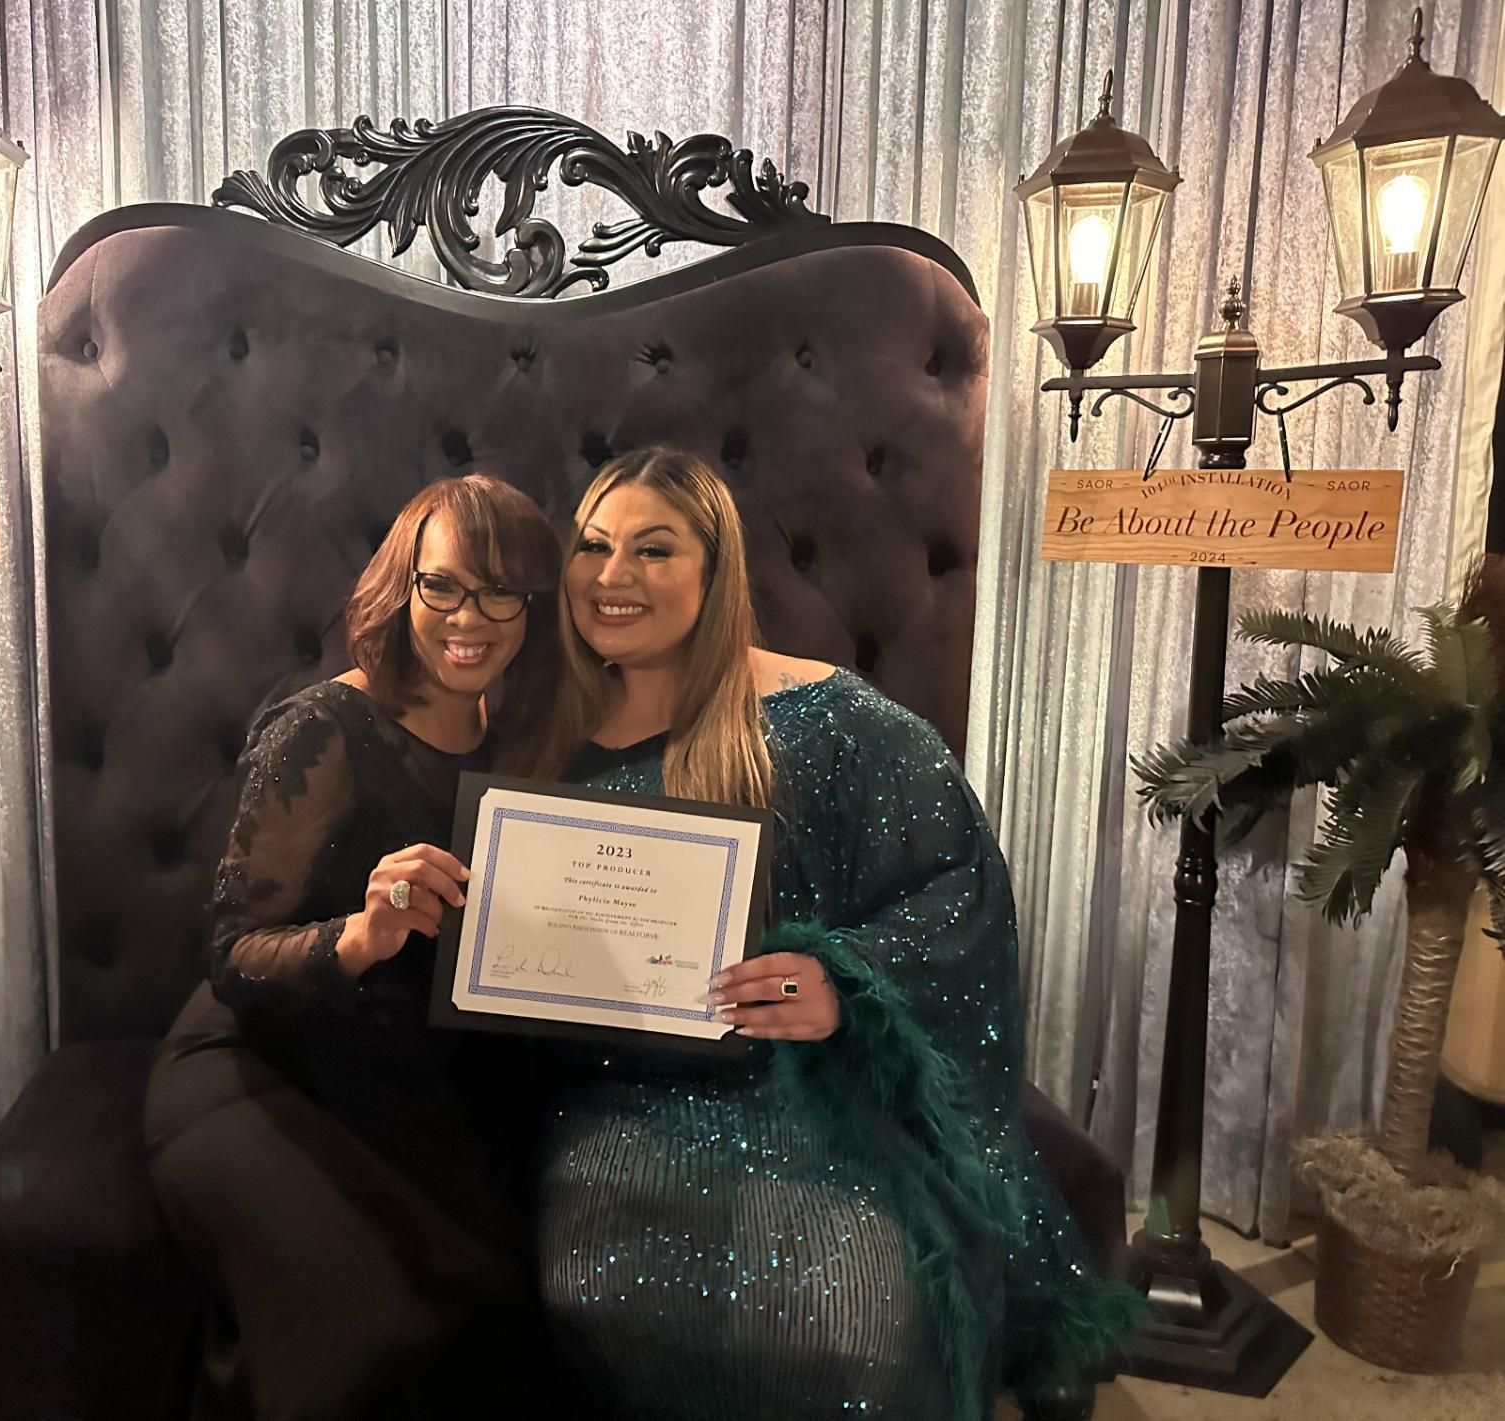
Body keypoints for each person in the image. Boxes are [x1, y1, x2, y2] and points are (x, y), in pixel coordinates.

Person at [528, 447, 1138, 1420]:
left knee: (851, 1311)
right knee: (602, 1289)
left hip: (804, 1091)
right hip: (624, 1090)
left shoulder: (824, 716)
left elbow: (958, 889)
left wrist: (843, 979)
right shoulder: (539, 730)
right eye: (593, 546)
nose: (611, 575)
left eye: (652, 549)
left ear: (714, 568)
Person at [143, 475, 563, 1421]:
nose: (472, 617)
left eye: (501, 593)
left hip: (406, 1070)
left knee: (500, 1297)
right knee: (371, 1330)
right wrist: (359, 936)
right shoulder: (323, 726)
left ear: (532, 607)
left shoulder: (520, 726)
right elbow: (231, 953)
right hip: (255, 1060)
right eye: (444, 586)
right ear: (402, 585)